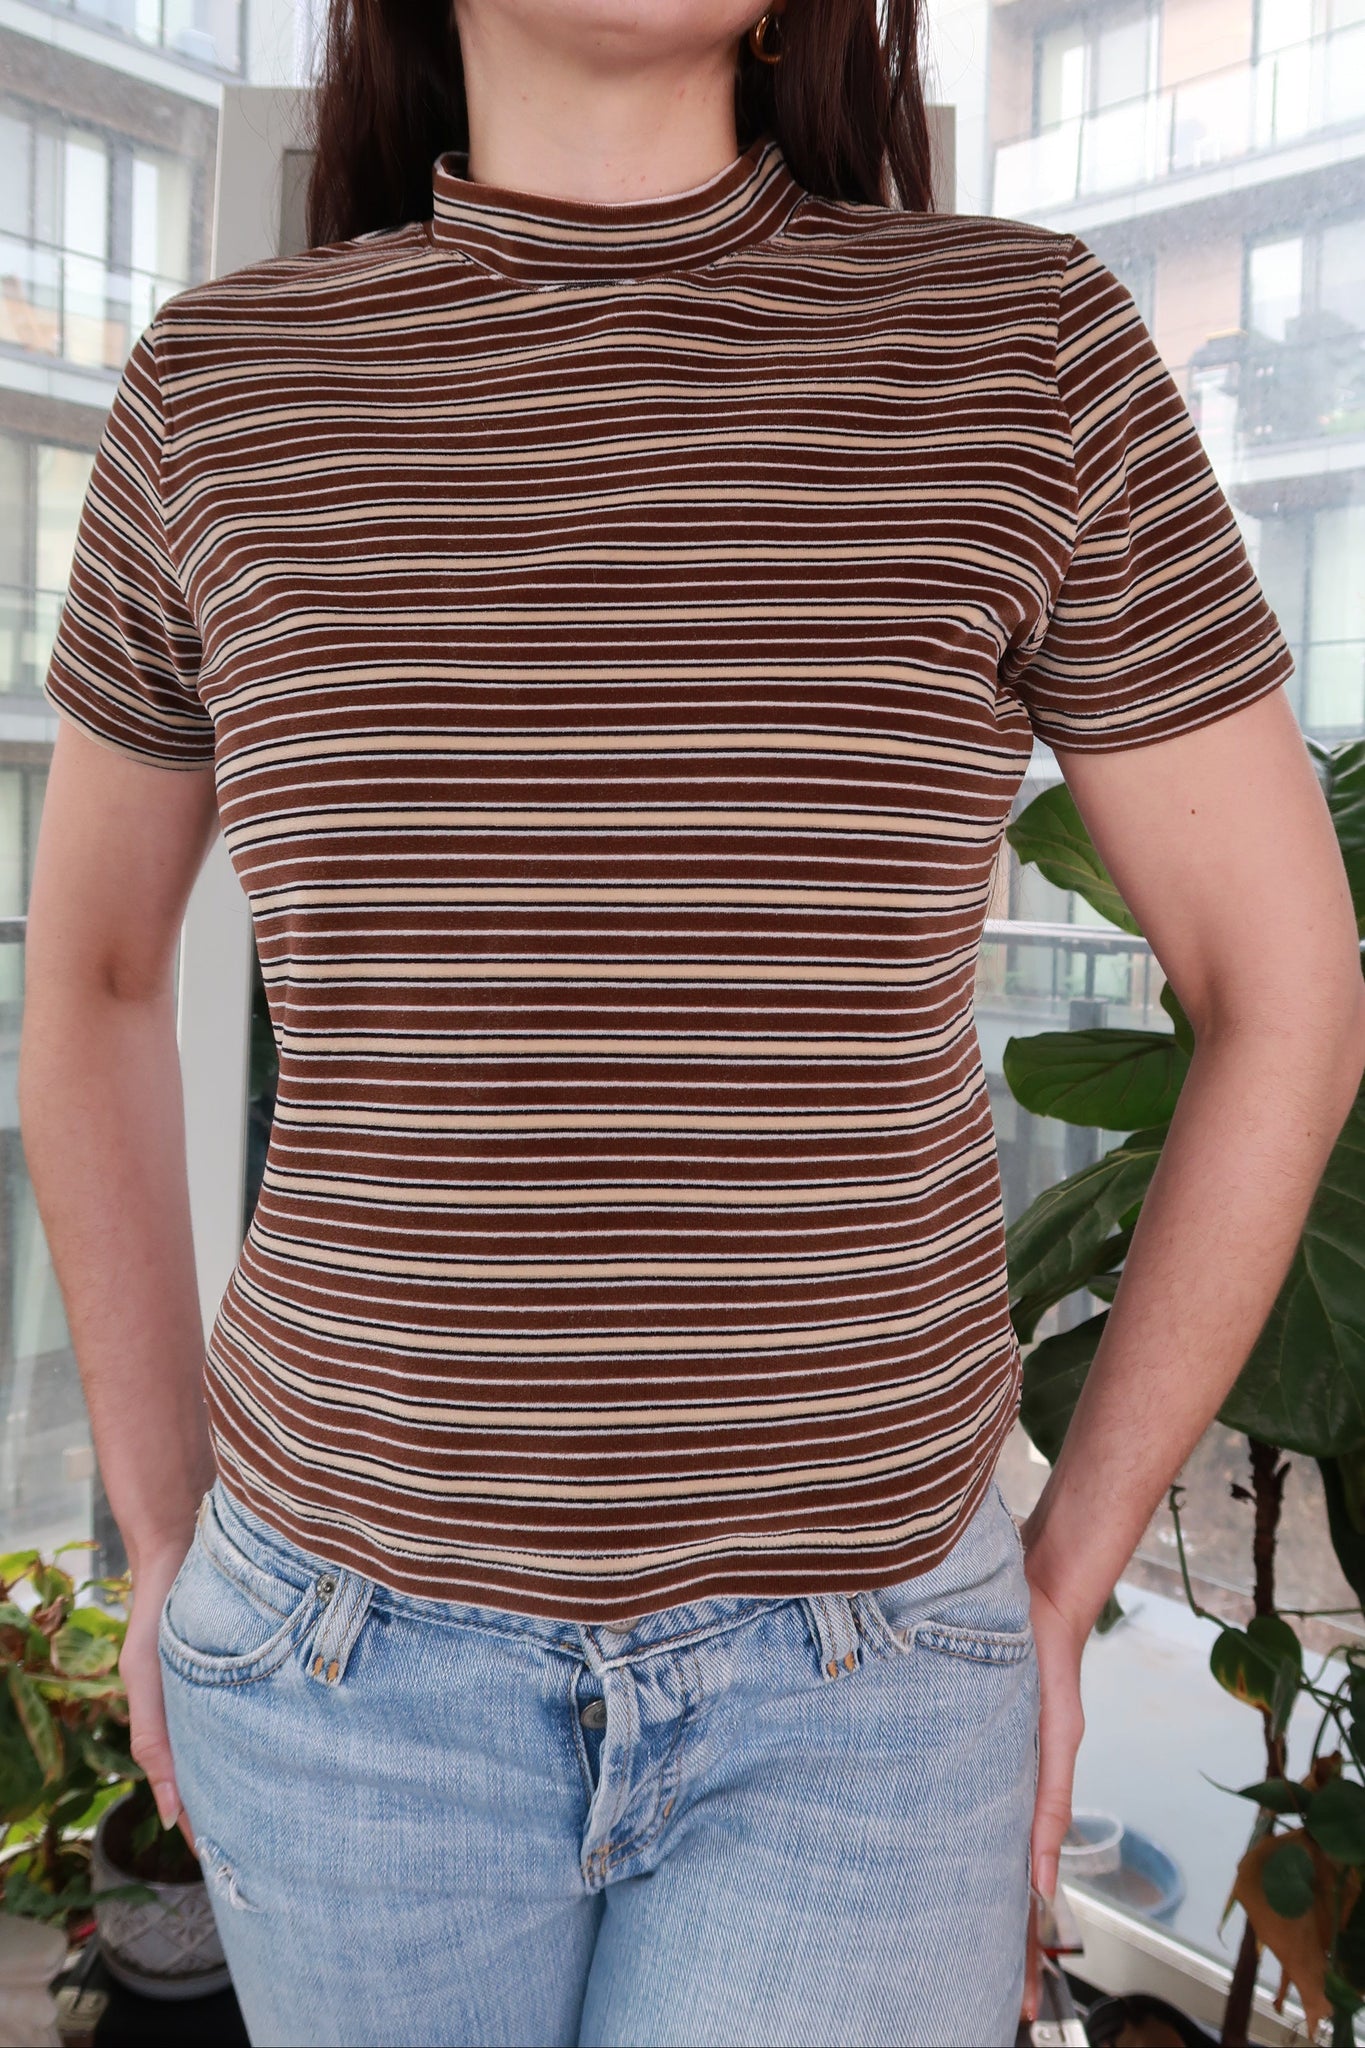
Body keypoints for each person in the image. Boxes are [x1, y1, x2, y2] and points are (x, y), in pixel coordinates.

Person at [18, 1, 1365, 2043]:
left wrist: (1065, 1564)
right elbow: (99, 975)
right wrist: (163, 1519)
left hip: (861, 1697)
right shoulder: (224, 390)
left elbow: (1285, 990)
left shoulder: (1022, 350)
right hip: (345, 1669)